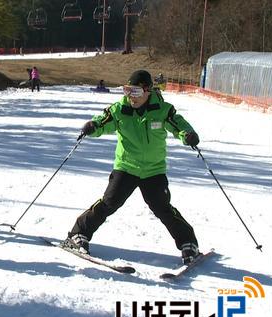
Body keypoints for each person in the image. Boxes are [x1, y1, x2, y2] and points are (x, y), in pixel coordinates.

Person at [63, 70, 202, 265]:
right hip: (126, 167)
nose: (130, 96)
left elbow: (179, 126)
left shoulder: (163, 110)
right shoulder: (120, 110)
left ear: (148, 90)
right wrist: (92, 126)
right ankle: (78, 234)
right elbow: (102, 121)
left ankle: (188, 243)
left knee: (162, 208)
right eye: (127, 90)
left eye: (135, 92)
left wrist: (188, 135)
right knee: (109, 203)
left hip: (153, 169)